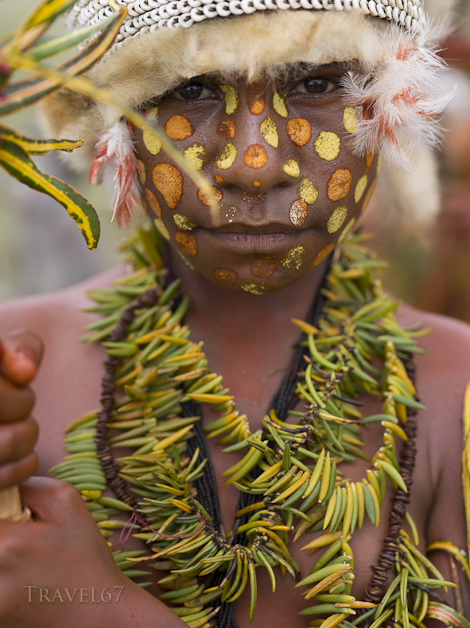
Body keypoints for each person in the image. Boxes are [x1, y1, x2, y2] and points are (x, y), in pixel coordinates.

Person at [0, 0, 469, 626]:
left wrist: (101, 607)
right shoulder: (17, 374)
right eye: (190, 89)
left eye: (318, 83)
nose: (257, 166)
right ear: (115, 126)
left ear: (392, 108)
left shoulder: (454, 397)